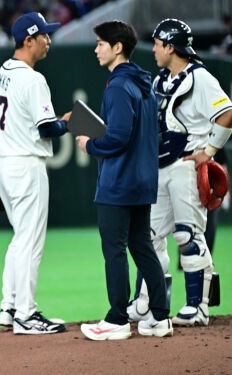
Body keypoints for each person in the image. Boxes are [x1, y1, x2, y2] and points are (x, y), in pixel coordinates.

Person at [127, 19, 232, 327]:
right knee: (149, 238)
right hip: (159, 167)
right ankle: (147, 303)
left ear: (171, 47)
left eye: (158, 44)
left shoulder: (200, 77)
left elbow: (227, 114)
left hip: (186, 166)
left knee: (188, 235)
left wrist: (208, 151)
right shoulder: (161, 79)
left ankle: (198, 306)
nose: (154, 49)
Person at [76, 21, 173, 340]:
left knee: (115, 249)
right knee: (142, 246)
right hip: (143, 180)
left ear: (117, 47)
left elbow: (117, 136)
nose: (96, 49)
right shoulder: (144, 84)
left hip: (119, 182)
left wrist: (90, 144)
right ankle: (160, 316)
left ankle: (117, 319)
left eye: (101, 43)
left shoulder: (118, 86)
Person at [0, 12, 70, 335]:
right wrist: (68, 123)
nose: (48, 41)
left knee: (20, 238)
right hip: (25, 164)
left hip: (4, 163)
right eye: (44, 36)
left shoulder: (3, 71)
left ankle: (10, 306)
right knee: (29, 241)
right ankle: (26, 313)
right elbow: (47, 128)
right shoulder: (32, 79)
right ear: (28, 40)